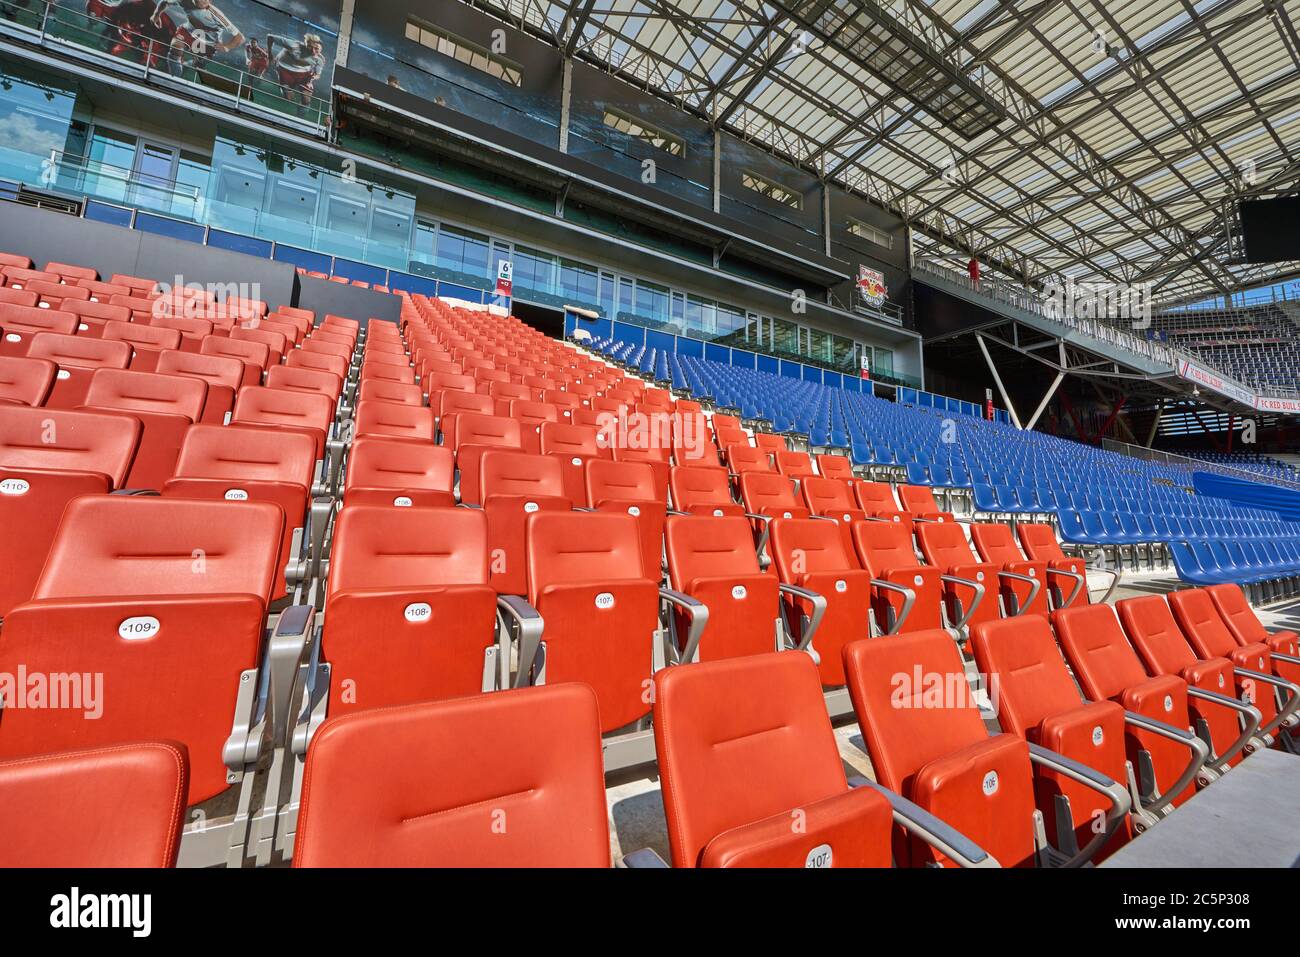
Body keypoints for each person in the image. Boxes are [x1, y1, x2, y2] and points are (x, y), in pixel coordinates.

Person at [151, 0, 244, 78]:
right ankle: (174, 77)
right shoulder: (185, 1)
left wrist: (227, 47)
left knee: (197, 64)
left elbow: (240, 37)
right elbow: (165, 2)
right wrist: (156, 14)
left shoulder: (217, 15)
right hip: (188, 32)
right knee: (175, 49)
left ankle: (191, 64)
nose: (203, 1)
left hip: (208, 43)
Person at [267, 31, 325, 106]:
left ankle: (300, 115)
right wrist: (270, 54)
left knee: (306, 101)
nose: (313, 51)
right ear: (305, 44)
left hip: (304, 74)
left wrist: (313, 77)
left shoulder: (319, 60)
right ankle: (284, 88)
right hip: (285, 70)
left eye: (316, 48)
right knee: (288, 98)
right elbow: (270, 37)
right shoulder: (294, 45)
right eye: (310, 47)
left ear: (321, 48)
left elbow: (317, 74)